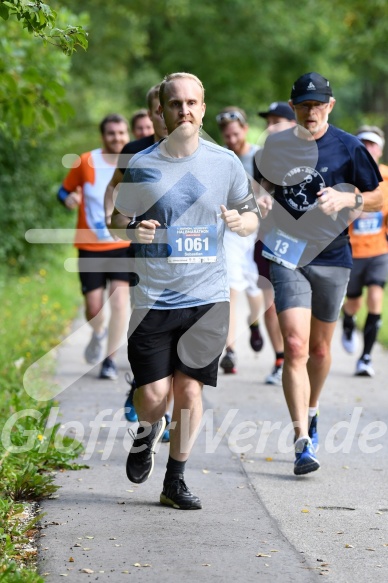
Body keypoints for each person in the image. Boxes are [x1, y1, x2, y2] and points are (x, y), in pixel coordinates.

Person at [111, 72, 259, 509]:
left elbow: (251, 216)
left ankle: (175, 480)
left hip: (206, 298)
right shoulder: (142, 165)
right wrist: (135, 231)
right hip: (152, 299)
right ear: (162, 110)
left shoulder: (224, 162)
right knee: (154, 398)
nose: (185, 111)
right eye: (176, 104)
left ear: (203, 107)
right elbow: (117, 225)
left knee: (190, 390)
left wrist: (240, 222)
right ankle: (146, 430)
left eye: (193, 103)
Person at [256, 72, 382, 475]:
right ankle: (301, 441)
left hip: (332, 255)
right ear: (293, 108)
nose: (311, 111)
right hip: (287, 253)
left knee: (321, 350)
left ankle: (312, 410)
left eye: (318, 104)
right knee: (295, 345)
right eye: (304, 104)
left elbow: (379, 195)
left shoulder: (348, 147)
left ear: (330, 105)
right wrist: (257, 202)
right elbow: (258, 186)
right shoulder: (274, 145)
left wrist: (349, 197)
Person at [104, 84, 170, 432]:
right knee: (146, 324)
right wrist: (114, 221)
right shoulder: (135, 151)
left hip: (183, 260)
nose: (166, 115)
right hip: (143, 254)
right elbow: (113, 188)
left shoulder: (194, 151)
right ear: (151, 113)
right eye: (160, 109)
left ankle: (163, 404)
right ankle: (142, 385)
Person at [58, 114, 130, 380]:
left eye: (122, 133)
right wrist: (69, 198)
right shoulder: (86, 161)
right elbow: (62, 191)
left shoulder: (134, 161)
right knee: (94, 308)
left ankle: (109, 360)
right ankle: (98, 331)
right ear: (103, 136)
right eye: (112, 133)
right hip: (90, 246)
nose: (117, 138)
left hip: (122, 244)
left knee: (121, 301)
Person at [216, 107, 263, 374]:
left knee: (254, 290)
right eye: (226, 135)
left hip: (258, 232)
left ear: (245, 129)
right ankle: (230, 349)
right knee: (231, 288)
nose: (231, 139)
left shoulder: (260, 156)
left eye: (235, 133)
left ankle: (254, 324)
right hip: (232, 233)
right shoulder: (222, 158)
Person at [254, 102, 296, 385]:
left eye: (278, 120)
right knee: (270, 300)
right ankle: (281, 358)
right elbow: (257, 193)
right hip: (269, 237)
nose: (271, 125)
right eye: (269, 121)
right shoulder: (261, 156)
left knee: (298, 302)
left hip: (305, 239)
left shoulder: (312, 153)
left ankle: (298, 355)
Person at [341, 126, 388, 376]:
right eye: (363, 145)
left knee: (375, 298)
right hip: (351, 252)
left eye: (373, 145)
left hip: (379, 251)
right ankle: (348, 322)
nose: (368, 149)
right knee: (353, 302)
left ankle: (366, 357)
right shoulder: (346, 179)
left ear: (380, 150)